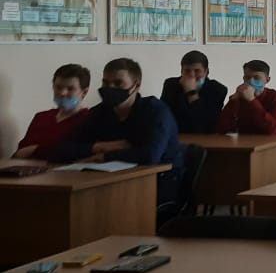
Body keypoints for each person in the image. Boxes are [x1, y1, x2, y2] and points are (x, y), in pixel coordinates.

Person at [44, 58, 183, 205]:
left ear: (136, 85)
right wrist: (99, 147)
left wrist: (104, 156)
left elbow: (150, 155)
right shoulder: (100, 112)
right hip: (112, 182)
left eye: (118, 83)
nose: (110, 88)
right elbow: (59, 149)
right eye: (106, 83)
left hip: (161, 184)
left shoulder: (156, 111)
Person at [13, 63, 91, 158]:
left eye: (70, 89)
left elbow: (77, 154)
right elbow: (20, 152)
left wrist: (35, 150)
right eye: (58, 87)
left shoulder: (89, 119)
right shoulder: (41, 117)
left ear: (84, 92)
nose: (62, 93)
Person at [160, 49, 227, 133]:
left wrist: (191, 93)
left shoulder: (218, 89)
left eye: (197, 71)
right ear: (181, 71)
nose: (192, 75)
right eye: (187, 71)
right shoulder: (171, 85)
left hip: (205, 137)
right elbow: (165, 116)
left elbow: (205, 123)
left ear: (206, 72)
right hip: (176, 135)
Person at [215, 59, 276, 134]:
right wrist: (232, 101)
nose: (251, 81)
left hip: (273, 140)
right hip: (245, 140)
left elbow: (272, 129)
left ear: (267, 80)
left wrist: (252, 100)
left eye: (256, 78)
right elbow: (221, 128)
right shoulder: (240, 97)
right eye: (247, 77)